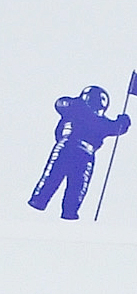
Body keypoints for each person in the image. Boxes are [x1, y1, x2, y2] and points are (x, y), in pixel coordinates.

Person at [28, 87, 131, 221]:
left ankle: (44, 202)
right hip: (77, 150)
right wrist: (123, 122)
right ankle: (62, 209)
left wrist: (123, 123)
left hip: (71, 148)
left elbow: (61, 103)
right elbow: (117, 128)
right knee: (72, 183)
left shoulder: (77, 110)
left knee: (61, 179)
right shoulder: (81, 111)